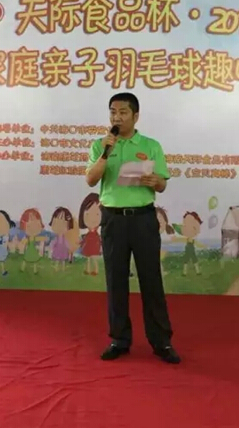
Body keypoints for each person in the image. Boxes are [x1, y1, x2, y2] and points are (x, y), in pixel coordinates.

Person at [85, 92, 180, 364]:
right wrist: (106, 153)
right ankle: (119, 339)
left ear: (135, 116)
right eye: (113, 112)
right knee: (116, 281)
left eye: (123, 112)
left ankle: (161, 342)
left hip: (143, 219)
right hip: (113, 219)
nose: (117, 117)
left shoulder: (151, 145)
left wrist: (155, 181)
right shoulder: (100, 145)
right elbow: (91, 180)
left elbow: (162, 184)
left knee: (151, 280)